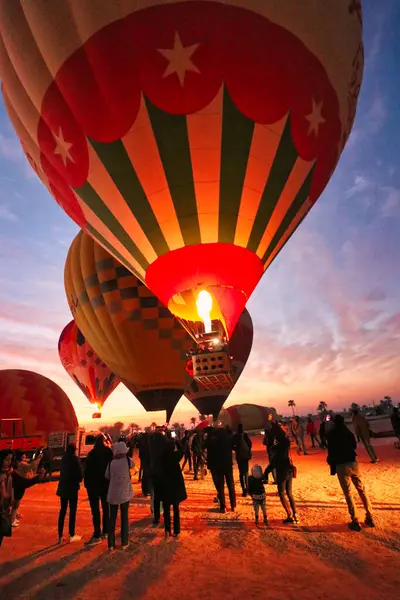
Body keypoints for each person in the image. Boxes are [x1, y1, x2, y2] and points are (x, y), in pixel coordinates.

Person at [327, 414, 374, 531]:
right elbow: (354, 446)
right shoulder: (348, 432)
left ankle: (355, 520)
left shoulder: (332, 435)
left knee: (348, 494)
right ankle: (370, 516)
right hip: (353, 463)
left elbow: (331, 451)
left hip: (341, 466)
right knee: (361, 490)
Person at [265, 426, 298, 524]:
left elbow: (273, 463)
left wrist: (266, 472)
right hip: (289, 470)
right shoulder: (285, 444)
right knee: (289, 493)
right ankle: (295, 514)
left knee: (282, 494)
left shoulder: (277, 448)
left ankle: (290, 516)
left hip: (282, 472)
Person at [84, 435, 113, 545]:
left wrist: (87, 485)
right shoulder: (108, 452)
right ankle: (106, 531)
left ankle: (97, 534)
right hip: (106, 485)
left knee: (95, 511)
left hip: (93, 486)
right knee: (106, 509)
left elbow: (87, 471)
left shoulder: (91, 454)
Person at [106, 441, 134, 551]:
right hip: (124, 495)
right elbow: (134, 465)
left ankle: (111, 545)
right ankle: (124, 543)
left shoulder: (111, 463)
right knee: (124, 518)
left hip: (113, 495)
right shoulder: (127, 460)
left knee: (111, 519)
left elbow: (107, 476)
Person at [159, 439, 187, 537]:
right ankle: (177, 530)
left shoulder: (162, 457)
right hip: (175, 487)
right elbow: (183, 450)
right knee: (176, 509)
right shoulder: (175, 456)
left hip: (165, 487)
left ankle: (167, 530)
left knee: (166, 510)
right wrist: (177, 442)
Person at [56, 443, 83, 544]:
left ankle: (60, 536)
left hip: (63, 487)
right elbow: (80, 476)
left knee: (62, 511)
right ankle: (72, 534)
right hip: (72, 488)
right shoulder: (75, 459)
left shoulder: (63, 459)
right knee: (72, 511)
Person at [206, 427, 236, 513]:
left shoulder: (213, 442)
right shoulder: (228, 440)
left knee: (221, 487)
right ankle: (233, 505)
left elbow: (206, 446)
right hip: (228, 464)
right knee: (231, 485)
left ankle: (223, 507)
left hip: (218, 466)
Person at [232, 424, 252, 496]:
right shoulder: (245, 435)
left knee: (241, 474)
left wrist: (237, 449)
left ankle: (244, 490)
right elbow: (250, 444)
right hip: (245, 456)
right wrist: (247, 450)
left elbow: (232, 446)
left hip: (239, 457)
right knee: (246, 473)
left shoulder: (235, 436)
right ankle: (248, 489)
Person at [0, 450, 14, 548]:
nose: (9, 462)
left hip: (4, 507)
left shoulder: (8, 473)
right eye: (6, 460)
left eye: (10, 459)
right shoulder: (2, 474)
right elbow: (3, 490)